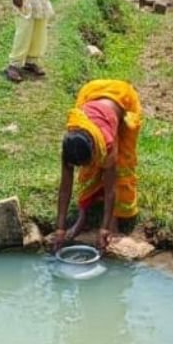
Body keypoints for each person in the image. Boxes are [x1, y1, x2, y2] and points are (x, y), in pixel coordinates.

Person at [48, 80, 143, 253]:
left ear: (94, 149)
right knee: (87, 174)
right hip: (90, 93)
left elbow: (111, 188)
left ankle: (113, 220)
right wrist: (60, 228)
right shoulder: (70, 145)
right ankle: (82, 218)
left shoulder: (107, 143)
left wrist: (104, 227)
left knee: (121, 167)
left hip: (122, 99)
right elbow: (65, 188)